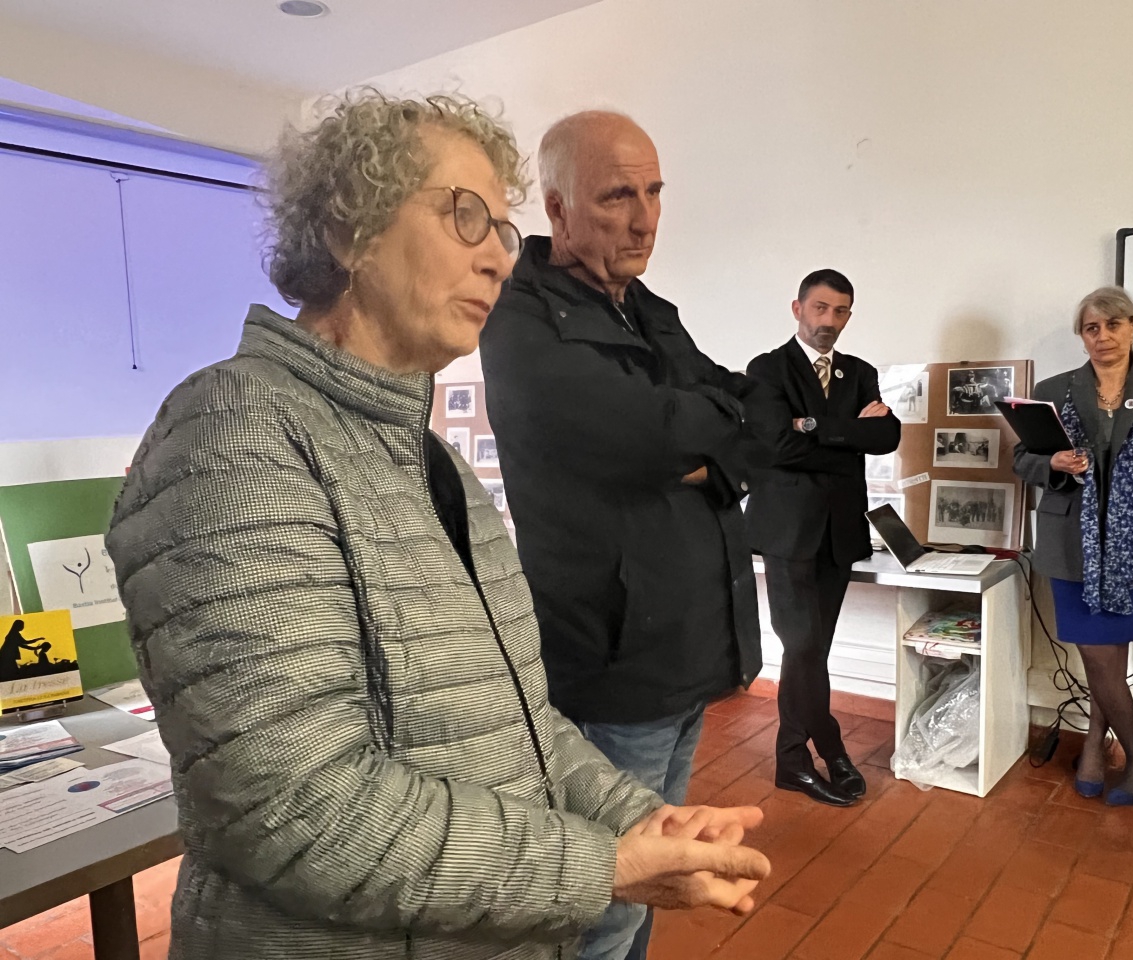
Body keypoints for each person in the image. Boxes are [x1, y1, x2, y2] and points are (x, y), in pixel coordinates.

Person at [105, 91, 769, 960]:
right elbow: (302, 810)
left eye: (502, 228)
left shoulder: (431, 461)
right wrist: (601, 865)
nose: (499, 256)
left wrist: (639, 818)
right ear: (348, 232)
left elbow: (518, 720)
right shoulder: (235, 436)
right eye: (466, 216)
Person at [480, 110, 762, 960]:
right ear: (557, 210)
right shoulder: (519, 315)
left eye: (654, 192)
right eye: (616, 197)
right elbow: (654, 435)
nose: (644, 220)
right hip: (612, 659)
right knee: (607, 900)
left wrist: (704, 448)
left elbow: (745, 411)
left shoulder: (647, 308)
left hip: (689, 647)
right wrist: (692, 438)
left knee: (657, 880)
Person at [1014, 285, 1133, 806]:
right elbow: (1022, 459)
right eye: (1092, 327)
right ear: (1082, 335)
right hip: (1070, 544)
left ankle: (1115, 747)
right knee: (1098, 655)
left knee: (1104, 657)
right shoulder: (1053, 390)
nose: (1103, 336)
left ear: (1132, 326)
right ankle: (1126, 751)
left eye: (1114, 324)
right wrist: (1052, 463)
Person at [743, 269, 901, 806]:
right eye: (820, 308)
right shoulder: (767, 369)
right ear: (798, 308)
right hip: (787, 531)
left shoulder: (861, 373)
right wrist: (849, 434)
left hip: (839, 531)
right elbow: (773, 447)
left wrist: (811, 425)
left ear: (849, 316)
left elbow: (886, 436)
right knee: (803, 645)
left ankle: (791, 760)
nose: (829, 320)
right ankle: (830, 748)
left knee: (812, 650)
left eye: (840, 311)